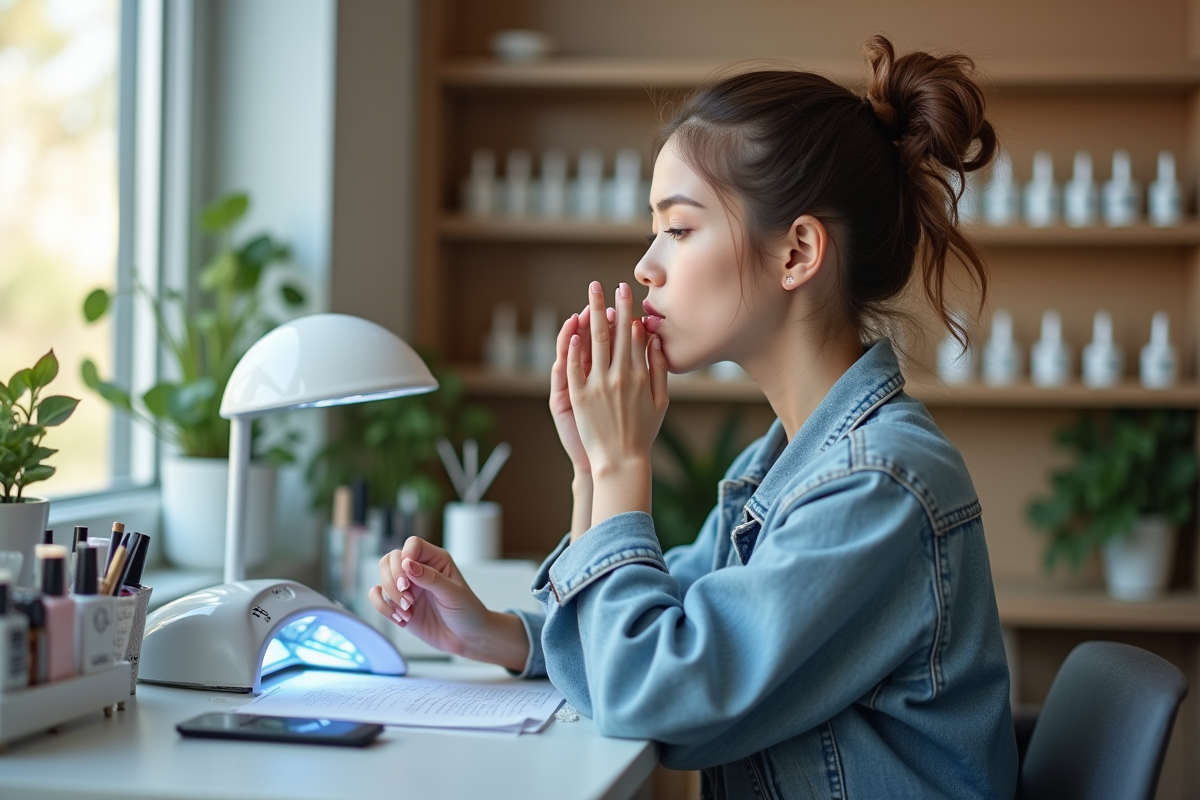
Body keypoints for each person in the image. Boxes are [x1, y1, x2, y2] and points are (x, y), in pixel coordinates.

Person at [369, 34, 1017, 800]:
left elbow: (656, 695)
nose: (646, 264)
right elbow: (664, 621)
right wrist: (507, 630)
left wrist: (619, 470)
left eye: (678, 229)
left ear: (797, 252)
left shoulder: (877, 487)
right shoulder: (779, 466)